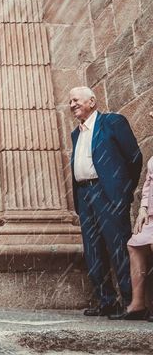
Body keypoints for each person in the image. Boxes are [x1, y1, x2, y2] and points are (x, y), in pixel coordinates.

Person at [69, 87, 142, 317]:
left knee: (118, 246)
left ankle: (132, 303)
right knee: (93, 249)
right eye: (70, 101)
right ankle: (107, 300)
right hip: (84, 194)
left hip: (106, 192)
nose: (72, 104)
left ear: (92, 101)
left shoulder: (112, 122)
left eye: (76, 100)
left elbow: (134, 158)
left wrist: (123, 191)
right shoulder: (75, 134)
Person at [109, 111, 153, 322]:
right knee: (134, 244)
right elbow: (148, 184)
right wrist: (143, 209)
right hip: (151, 215)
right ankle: (138, 304)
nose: (151, 113)